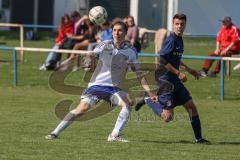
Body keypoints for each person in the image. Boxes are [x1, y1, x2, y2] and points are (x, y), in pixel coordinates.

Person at [45, 20, 157, 142]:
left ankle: (114, 135)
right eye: (114, 30)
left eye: (120, 30)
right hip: (97, 85)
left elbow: (139, 74)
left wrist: (149, 91)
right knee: (81, 109)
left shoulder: (131, 51)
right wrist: (88, 60)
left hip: (114, 88)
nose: (116, 33)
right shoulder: (105, 45)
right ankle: (55, 133)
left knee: (128, 102)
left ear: (125, 33)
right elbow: (91, 56)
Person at [135, 13, 210, 143]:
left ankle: (199, 138)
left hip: (175, 80)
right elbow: (163, 60)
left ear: (185, 25)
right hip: (165, 81)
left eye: (182, 24)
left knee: (191, 107)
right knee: (167, 117)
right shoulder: (171, 39)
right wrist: (178, 73)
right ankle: (148, 99)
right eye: (177, 24)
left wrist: (189, 70)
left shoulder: (180, 39)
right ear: (173, 24)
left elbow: (175, 59)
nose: (179, 26)